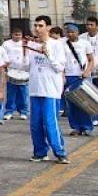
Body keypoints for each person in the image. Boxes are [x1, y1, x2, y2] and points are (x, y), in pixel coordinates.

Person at [24, 16, 70, 163]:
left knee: (50, 122)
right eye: (35, 26)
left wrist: (47, 53)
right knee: (35, 124)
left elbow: (59, 67)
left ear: (48, 28)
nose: (37, 29)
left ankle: (60, 152)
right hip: (35, 89)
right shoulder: (32, 45)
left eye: (40, 26)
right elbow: (26, 66)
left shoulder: (56, 44)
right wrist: (24, 51)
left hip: (50, 90)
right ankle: (39, 152)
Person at [63, 23, 95, 136]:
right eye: (68, 32)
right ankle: (75, 126)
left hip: (81, 76)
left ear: (77, 32)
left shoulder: (84, 43)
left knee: (84, 102)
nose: (70, 34)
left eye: (72, 32)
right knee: (71, 103)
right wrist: (62, 75)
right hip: (68, 75)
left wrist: (87, 71)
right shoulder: (63, 44)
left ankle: (87, 126)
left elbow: (91, 59)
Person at [1, 27, 31, 120]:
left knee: (23, 93)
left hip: (23, 71)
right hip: (11, 70)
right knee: (11, 93)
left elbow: (29, 54)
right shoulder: (6, 44)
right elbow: (3, 55)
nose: (17, 36)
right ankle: (9, 111)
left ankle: (23, 111)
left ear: (21, 35)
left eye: (19, 35)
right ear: (12, 35)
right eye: (15, 34)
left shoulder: (25, 43)